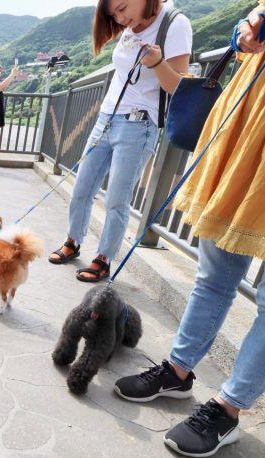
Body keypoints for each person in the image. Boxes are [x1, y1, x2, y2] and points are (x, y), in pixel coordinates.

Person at [114, 2, 265, 458]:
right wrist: (247, 29)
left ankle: (229, 407)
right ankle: (178, 372)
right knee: (213, 274)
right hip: (245, 122)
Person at [48, 0, 192, 282]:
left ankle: (104, 258)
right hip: (107, 117)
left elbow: (179, 87)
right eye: (114, 14)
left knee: (117, 199)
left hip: (139, 125)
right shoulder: (130, 25)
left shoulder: (174, 23)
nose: (121, 17)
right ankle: (73, 240)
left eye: (123, 8)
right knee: (82, 186)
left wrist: (158, 63)